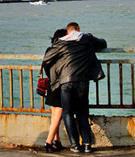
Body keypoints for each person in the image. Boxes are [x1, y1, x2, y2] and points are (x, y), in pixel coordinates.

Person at [43, 22, 106, 153]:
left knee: (67, 113)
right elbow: (103, 43)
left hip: (66, 81)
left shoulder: (61, 43)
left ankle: (75, 145)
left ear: (67, 32)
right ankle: (87, 144)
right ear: (79, 29)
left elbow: (47, 59)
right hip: (83, 80)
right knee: (82, 112)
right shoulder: (88, 39)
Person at [42, 29, 67, 152]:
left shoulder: (49, 50)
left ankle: (57, 140)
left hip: (50, 85)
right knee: (58, 115)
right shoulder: (63, 51)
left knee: (54, 116)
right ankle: (48, 141)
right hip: (60, 85)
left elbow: (46, 66)